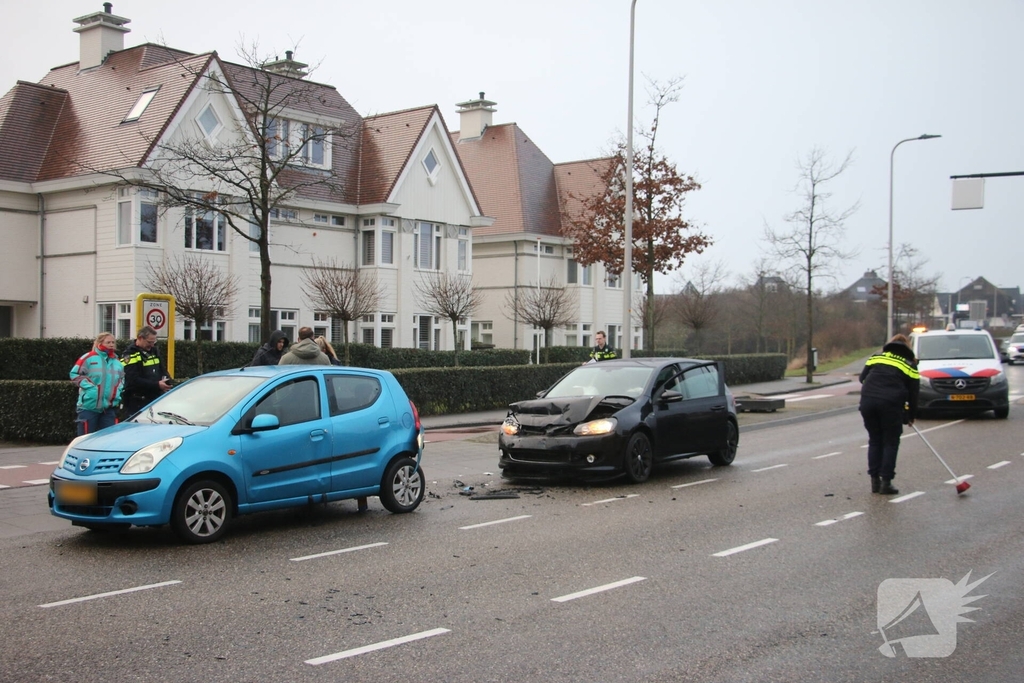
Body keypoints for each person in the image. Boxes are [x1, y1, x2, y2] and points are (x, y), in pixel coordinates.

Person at [858, 333, 920, 495]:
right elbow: (914, 394)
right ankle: (886, 482)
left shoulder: (875, 358)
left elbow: (862, 379)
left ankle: (874, 482)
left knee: (875, 440)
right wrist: (911, 415)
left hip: (868, 403)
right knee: (890, 442)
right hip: (890, 405)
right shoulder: (910, 365)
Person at [69, 332, 124, 435]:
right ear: (100, 343)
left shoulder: (117, 361)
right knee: (86, 438)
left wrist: (118, 390)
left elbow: (122, 378)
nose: (111, 345)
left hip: (109, 408)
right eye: (108, 342)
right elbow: (74, 374)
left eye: (113, 342)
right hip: (89, 407)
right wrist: (90, 388)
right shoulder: (88, 357)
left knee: (109, 438)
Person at [121, 326, 172, 416]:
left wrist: (167, 381)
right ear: (140, 338)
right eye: (149, 342)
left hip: (155, 398)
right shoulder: (130, 354)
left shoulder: (154, 351)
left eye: (154, 342)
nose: (152, 345)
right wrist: (157, 384)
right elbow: (133, 380)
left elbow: (162, 370)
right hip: (137, 400)